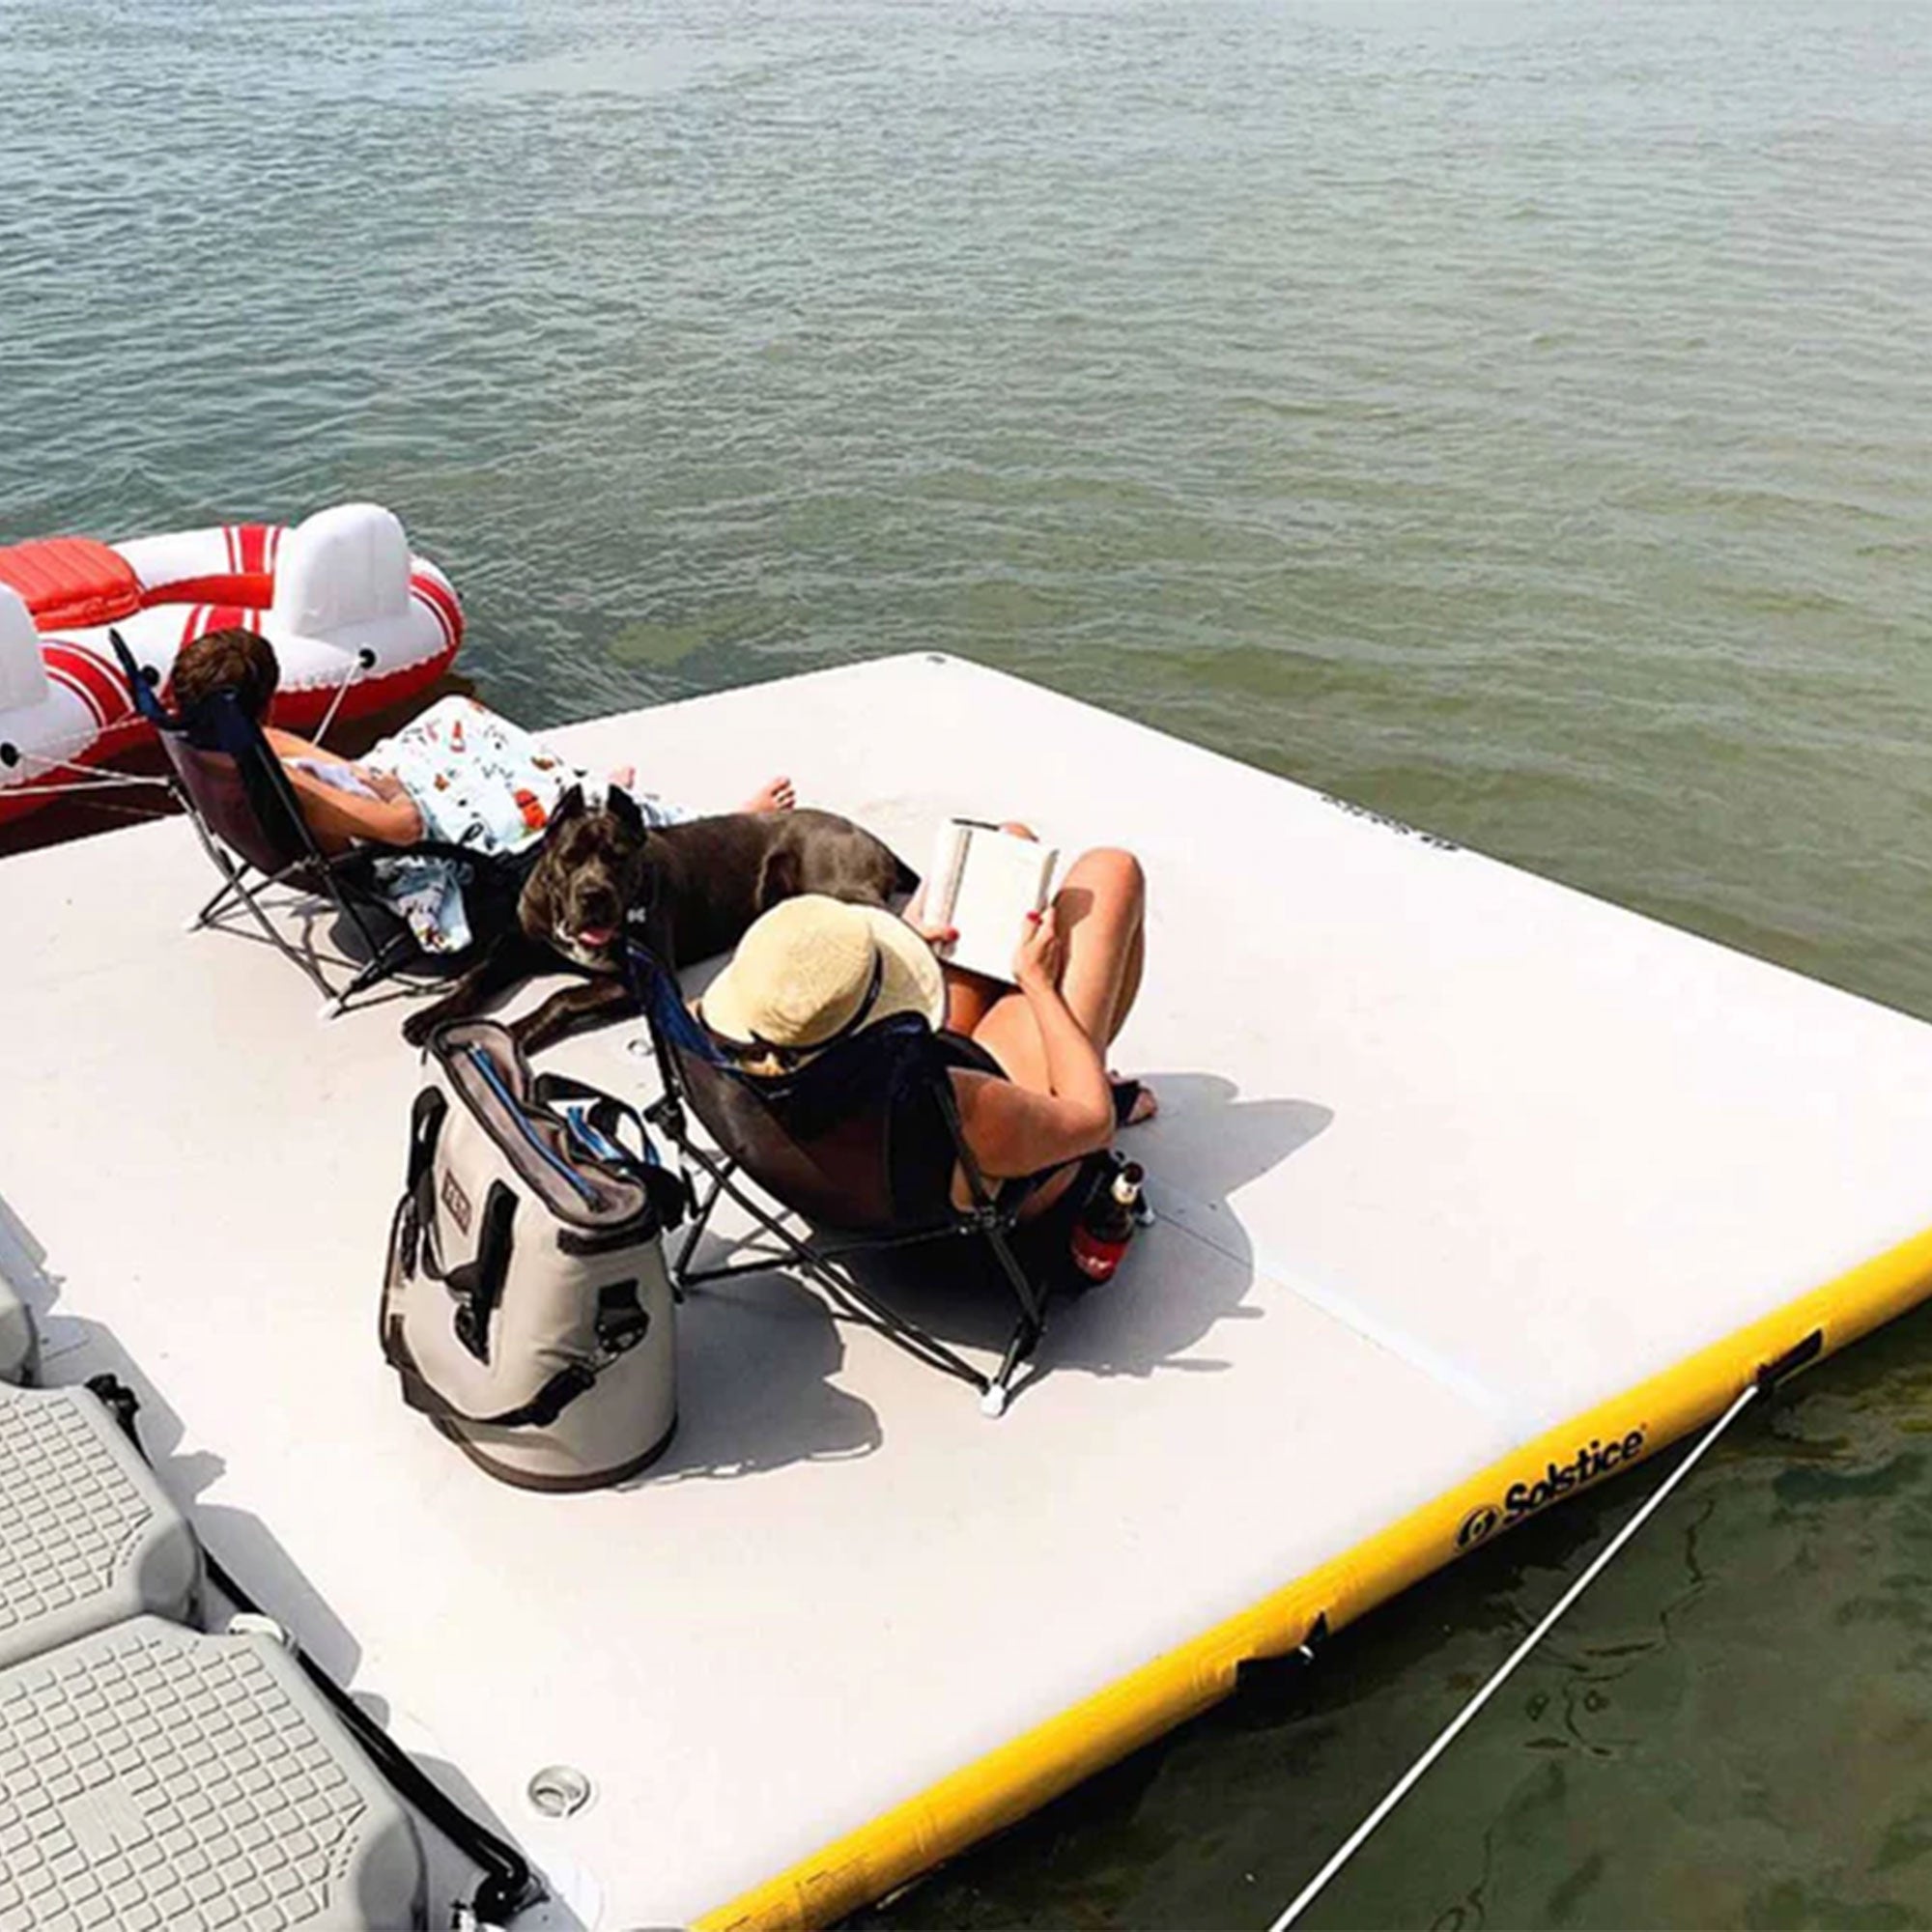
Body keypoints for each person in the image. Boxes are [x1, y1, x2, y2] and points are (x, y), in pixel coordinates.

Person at [697, 831, 1152, 1216]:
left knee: (1006, 848)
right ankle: (1082, 1066)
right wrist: (1039, 985)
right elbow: (1096, 1123)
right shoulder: (966, 1102)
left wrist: (885, 954)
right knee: (1112, 872)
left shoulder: (717, 1040)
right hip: (961, 1154)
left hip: (863, 1129)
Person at [168, 627, 795, 859]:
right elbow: (403, 829)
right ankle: (729, 826)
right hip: (406, 840)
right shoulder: (280, 781)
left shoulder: (210, 747)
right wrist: (389, 788)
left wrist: (363, 774)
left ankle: (573, 781)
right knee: (567, 802)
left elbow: (282, 742)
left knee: (457, 713)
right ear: (264, 698)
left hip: (368, 791)